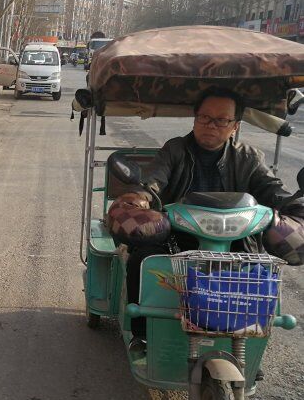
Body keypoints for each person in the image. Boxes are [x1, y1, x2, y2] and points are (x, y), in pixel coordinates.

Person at [119, 87, 304, 347]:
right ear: (195, 119)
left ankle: (247, 343)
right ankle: (143, 336)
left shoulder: (249, 157)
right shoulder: (175, 149)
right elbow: (153, 182)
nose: (211, 125)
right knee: (142, 259)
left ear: (235, 126)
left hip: (236, 243)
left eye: (221, 120)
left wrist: (294, 206)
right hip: (178, 238)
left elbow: (272, 191)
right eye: (204, 117)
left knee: (261, 270)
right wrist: (140, 198)